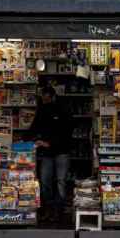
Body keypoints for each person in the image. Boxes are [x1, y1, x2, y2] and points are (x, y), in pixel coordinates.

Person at [27, 85, 72, 223]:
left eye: (46, 98)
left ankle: (59, 212)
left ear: (52, 96)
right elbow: (34, 127)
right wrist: (23, 139)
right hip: (47, 153)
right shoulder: (42, 109)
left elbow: (66, 132)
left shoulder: (63, 110)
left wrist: (49, 143)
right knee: (45, 181)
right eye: (42, 98)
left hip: (61, 152)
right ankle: (48, 209)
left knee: (60, 182)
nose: (44, 100)